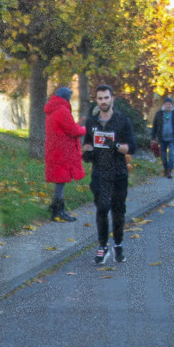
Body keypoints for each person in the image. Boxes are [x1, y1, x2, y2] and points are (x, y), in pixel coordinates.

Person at [82, 85, 135, 264]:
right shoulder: (92, 122)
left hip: (118, 173)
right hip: (99, 173)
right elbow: (88, 143)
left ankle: (118, 245)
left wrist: (116, 146)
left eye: (106, 98)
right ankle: (103, 246)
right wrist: (87, 151)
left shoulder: (122, 121)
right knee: (102, 208)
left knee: (118, 212)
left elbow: (132, 147)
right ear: (96, 100)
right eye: (99, 98)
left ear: (112, 99)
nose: (103, 102)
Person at [43, 86, 86, 222]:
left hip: (55, 150)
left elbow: (65, 127)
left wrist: (77, 125)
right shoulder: (62, 110)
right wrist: (84, 129)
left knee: (60, 180)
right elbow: (73, 131)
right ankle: (58, 211)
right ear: (66, 97)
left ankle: (56, 209)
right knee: (61, 181)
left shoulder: (53, 109)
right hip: (62, 151)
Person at [150, 96, 174, 178]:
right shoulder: (159, 114)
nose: (168, 105)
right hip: (162, 138)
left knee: (171, 154)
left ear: (172, 105)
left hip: (172, 137)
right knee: (163, 156)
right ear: (164, 105)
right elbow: (155, 126)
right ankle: (165, 168)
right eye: (166, 104)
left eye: (169, 104)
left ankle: (169, 170)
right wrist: (153, 138)